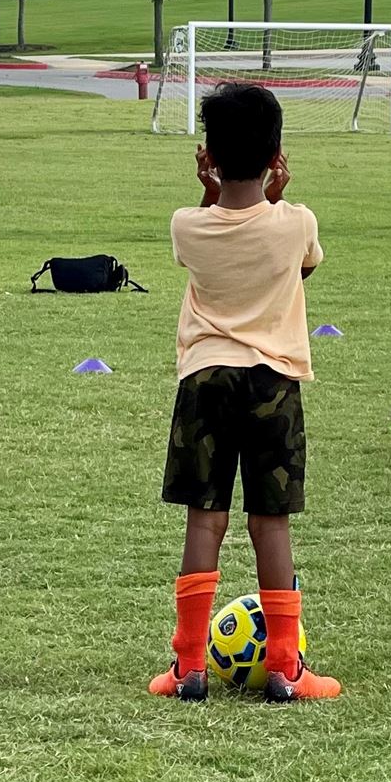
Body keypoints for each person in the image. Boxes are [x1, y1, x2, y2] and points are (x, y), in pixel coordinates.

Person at [152, 84, 337, 703]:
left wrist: (210, 192)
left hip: (205, 377)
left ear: (208, 155)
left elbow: (212, 236)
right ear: (277, 156)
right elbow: (301, 264)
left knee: (204, 519)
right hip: (273, 380)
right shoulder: (298, 222)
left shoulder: (186, 224)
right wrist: (275, 197)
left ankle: (188, 666)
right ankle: (286, 667)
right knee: (270, 520)